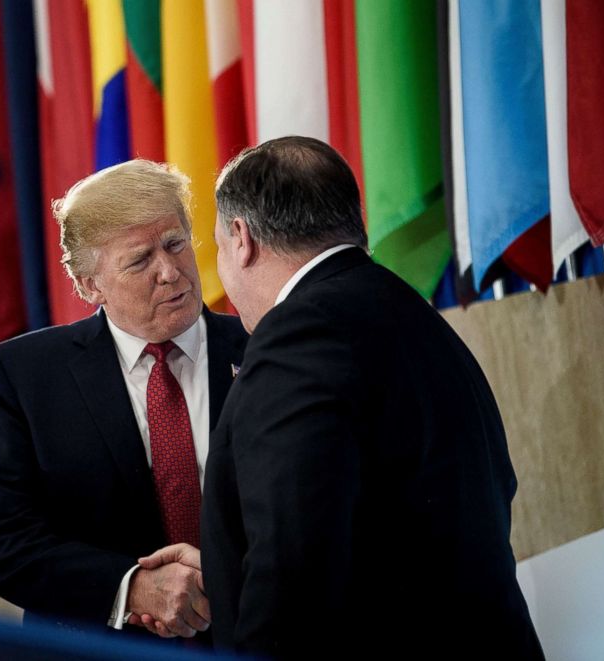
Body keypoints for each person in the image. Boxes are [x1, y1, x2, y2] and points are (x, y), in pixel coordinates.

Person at [145, 136, 543, 658]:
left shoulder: (297, 334)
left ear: (241, 238)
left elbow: (293, 561)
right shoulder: (415, 316)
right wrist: (226, 568)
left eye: (215, 245)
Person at [0, 160, 247, 642]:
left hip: (256, 641)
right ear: (90, 285)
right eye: (139, 260)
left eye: (176, 243)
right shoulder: (27, 376)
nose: (170, 272)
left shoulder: (263, 348)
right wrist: (131, 589)